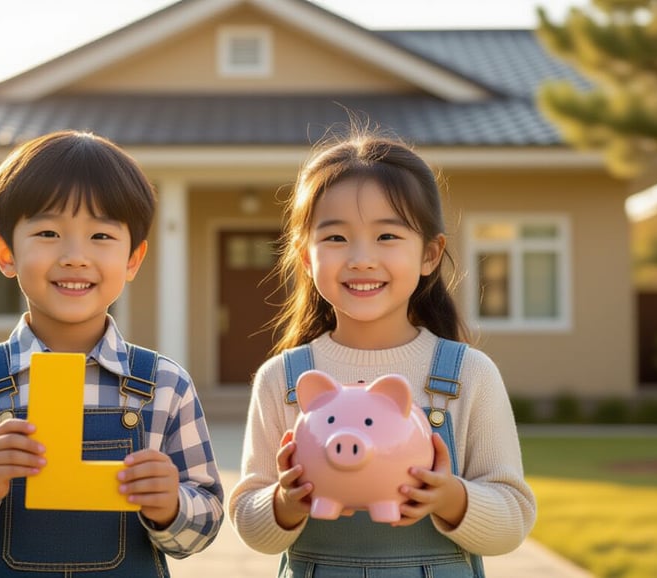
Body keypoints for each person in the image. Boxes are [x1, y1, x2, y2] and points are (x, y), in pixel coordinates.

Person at [0, 130, 224, 577]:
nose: (75, 256)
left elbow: (203, 527)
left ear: (133, 259)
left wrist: (171, 505)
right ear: (5, 252)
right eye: (48, 232)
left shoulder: (166, 386)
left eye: (102, 236)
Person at [228, 128, 536, 577]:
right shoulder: (285, 379)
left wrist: (451, 498)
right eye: (335, 239)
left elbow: (514, 518)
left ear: (430, 254)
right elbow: (249, 522)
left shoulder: (468, 373)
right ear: (306, 256)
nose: (361, 259)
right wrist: (283, 502)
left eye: (387, 237)